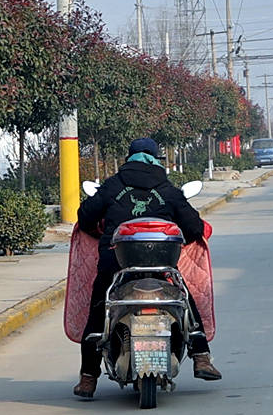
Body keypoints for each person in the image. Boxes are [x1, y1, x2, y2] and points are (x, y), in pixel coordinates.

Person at [71, 138, 219, 399]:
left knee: (100, 307)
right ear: (155, 158)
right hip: (161, 266)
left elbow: (85, 218)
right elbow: (195, 228)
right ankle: (201, 357)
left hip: (116, 265)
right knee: (183, 299)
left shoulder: (112, 186)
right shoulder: (167, 188)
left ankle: (88, 377)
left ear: (129, 158)